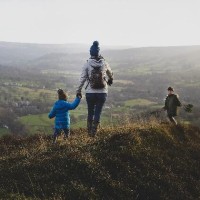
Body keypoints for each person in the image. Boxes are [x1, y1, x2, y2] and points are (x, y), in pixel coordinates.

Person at [76, 41, 113, 137]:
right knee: (98, 112)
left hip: (90, 92)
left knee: (90, 111)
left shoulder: (87, 64)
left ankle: (89, 133)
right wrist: (110, 80)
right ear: (98, 52)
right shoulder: (104, 62)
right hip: (102, 92)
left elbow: (82, 79)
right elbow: (110, 73)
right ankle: (94, 133)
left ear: (90, 53)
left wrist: (78, 90)